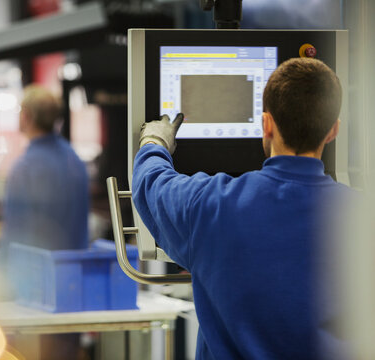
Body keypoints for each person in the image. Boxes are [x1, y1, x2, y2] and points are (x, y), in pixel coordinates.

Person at [132, 58, 349, 359]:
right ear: (333, 130)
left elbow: (151, 184)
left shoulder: (210, 205)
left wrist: (154, 142)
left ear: (267, 124)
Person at [1, 84, 89, 251]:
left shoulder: (24, 168)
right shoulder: (75, 159)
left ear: (26, 116)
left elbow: (13, 235)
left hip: (37, 272)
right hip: (74, 271)